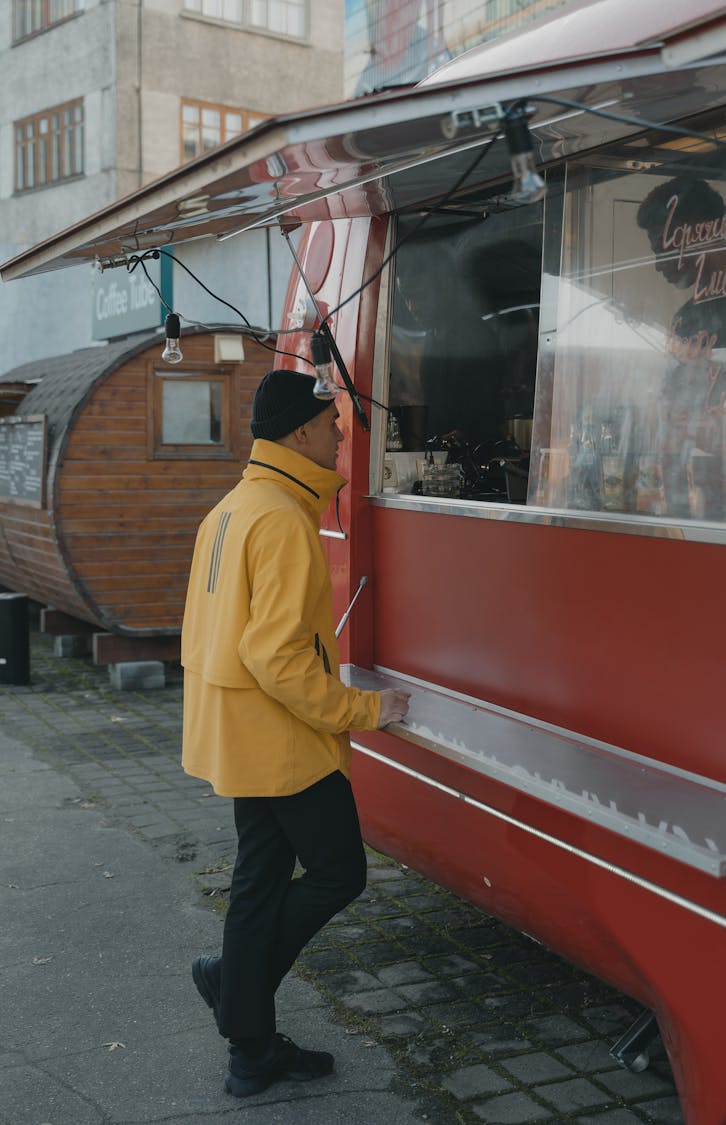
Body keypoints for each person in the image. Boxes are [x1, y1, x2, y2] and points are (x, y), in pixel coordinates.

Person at [180, 369, 410, 1098]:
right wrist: (366, 711)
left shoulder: (235, 506)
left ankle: (250, 1048)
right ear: (302, 432)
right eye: (333, 424)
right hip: (281, 740)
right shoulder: (281, 516)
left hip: (239, 732)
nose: (342, 434)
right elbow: (276, 654)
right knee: (339, 872)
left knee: (259, 882)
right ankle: (235, 991)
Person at [636, 174, 726, 517]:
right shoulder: (685, 319)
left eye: (661, 247)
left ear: (692, 231)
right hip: (709, 495)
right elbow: (670, 412)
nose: (657, 265)